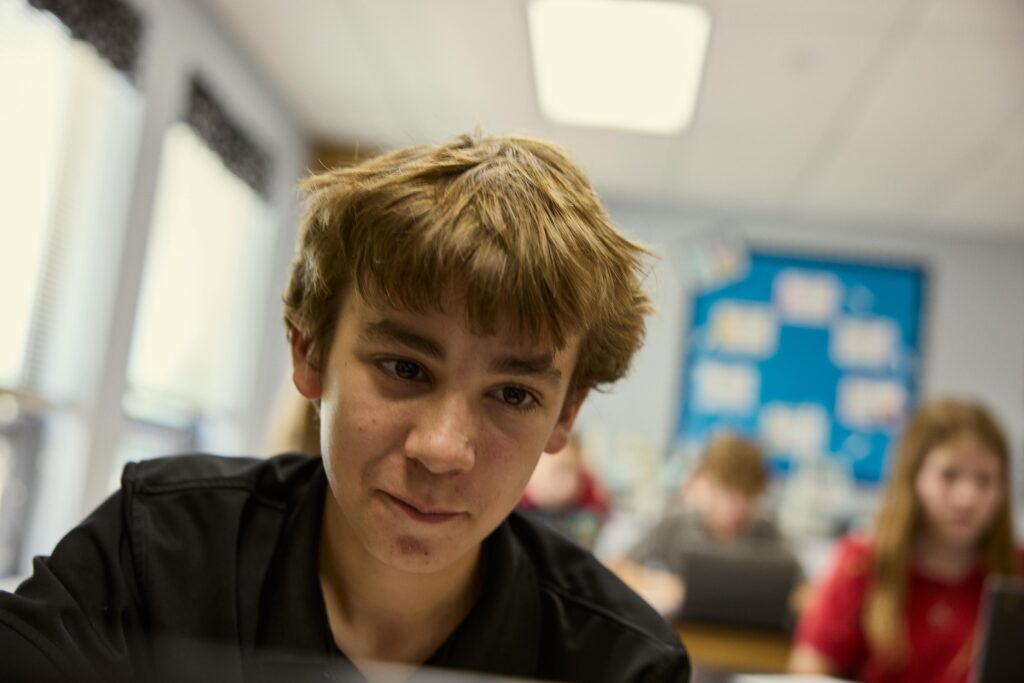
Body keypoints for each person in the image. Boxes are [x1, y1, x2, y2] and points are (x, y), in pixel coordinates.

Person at [0, 133, 690, 683]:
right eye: (404, 368)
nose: (443, 447)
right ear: (309, 352)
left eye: (513, 394)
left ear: (565, 415)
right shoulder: (158, 550)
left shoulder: (620, 663)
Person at [789, 397, 1023, 683]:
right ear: (913, 479)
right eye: (949, 476)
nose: (968, 498)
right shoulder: (862, 564)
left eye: (985, 480)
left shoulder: (1017, 571)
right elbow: (810, 671)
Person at [608, 432, 785, 615]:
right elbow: (616, 568)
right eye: (727, 493)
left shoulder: (766, 531)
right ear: (706, 483)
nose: (735, 509)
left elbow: (803, 592)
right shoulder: (676, 524)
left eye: (746, 496)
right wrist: (658, 582)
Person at [517, 433, 611, 548]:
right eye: (560, 471)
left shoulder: (587, 516)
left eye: (577, 473)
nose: (571, 482)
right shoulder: (513, 514)